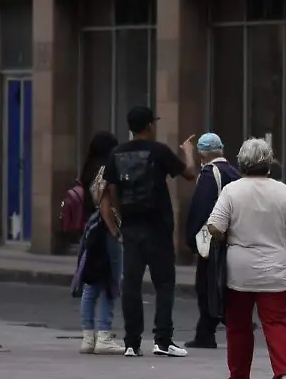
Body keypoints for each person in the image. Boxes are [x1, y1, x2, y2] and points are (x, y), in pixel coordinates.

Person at [207, 138, 286, 379]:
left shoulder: (231, 191)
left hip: (239, 269)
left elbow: (215, 226)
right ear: (269, 162)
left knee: (239, 326)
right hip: (275, 267)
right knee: (276, 324)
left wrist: (228, 236)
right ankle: (285, 374)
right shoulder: (284, 191)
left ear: (241, 162)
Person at [100, 106, 198, 358]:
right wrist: (188, 153)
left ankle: (132, 343)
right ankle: (162, 340)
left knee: (131, 284)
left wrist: (122, 217)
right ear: (149, 126)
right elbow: (189, 175)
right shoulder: (159, 151)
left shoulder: (116, 153)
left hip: (132, 227)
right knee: (164, 283)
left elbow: (110, 190)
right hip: (159, 227)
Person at [183, 133, 241, 349]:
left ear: (202, 153)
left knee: (206, 286)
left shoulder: (210, 174)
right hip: (233, 237)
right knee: (223, 283)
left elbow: (201, 209)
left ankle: (205, 332)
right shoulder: (234, 172)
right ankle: (224, 323)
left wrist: (191, 239)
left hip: (213, 238)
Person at [75, 131, 124, 355]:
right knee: (109, 282)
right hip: (105, 230)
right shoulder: (106, 170)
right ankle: (104, 334)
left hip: (90, 231)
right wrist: (115, 232)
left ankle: (88, 336)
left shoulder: (88, 169)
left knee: (91, 282)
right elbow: (105, 205)